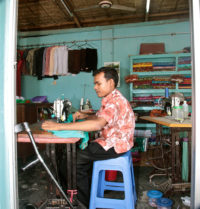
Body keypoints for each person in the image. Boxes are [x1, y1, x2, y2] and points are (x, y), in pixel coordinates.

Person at [42, 67, 135, 208]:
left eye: (98, 83)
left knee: (72, 160)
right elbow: (100, 117)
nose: (94, 87)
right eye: (94, 83)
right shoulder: (111, 98)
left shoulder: (114, 101)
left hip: (115, 144)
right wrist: (84, 115)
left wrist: (59, 127)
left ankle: (81, 204)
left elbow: (98, 124)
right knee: (73, 156)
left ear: (110, 82)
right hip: (115, 141)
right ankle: (75, 192)